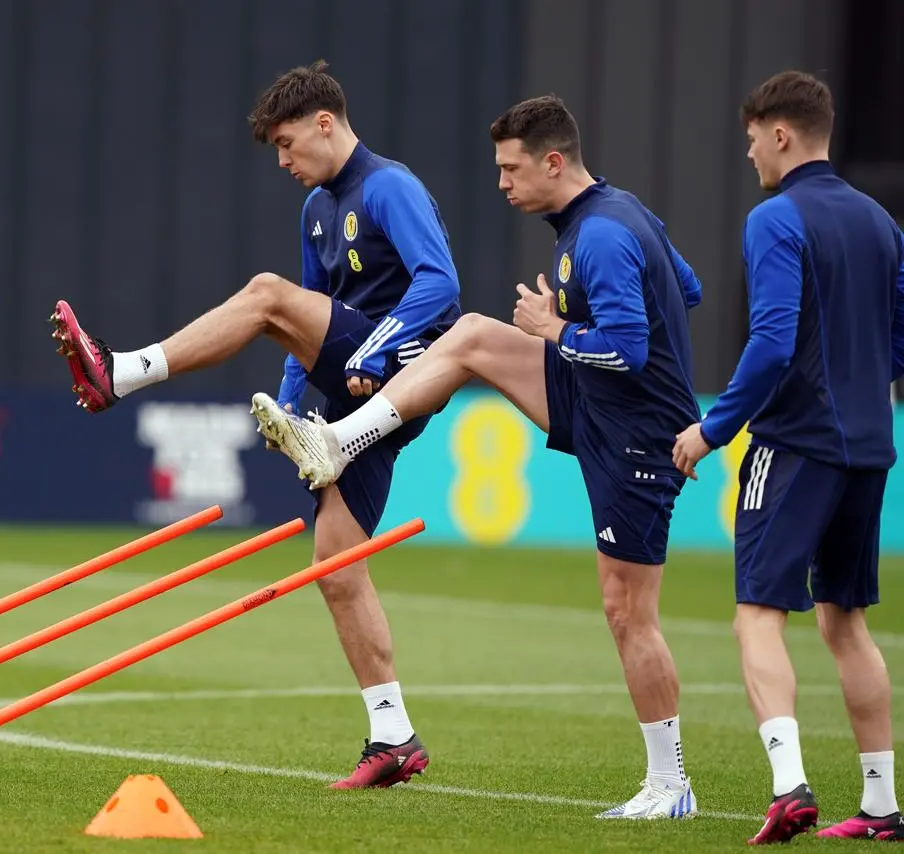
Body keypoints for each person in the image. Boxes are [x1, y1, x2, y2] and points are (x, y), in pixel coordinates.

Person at [253, 95, 704, 819]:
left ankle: (670, 785)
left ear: (553, 162)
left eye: (511, 168)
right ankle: (344, 436)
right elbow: (688, 287)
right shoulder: (616, 217)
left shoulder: (603, 236)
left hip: (637, 435)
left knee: (627, 612)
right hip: (592, 400)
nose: (501, 183)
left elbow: (629, 350)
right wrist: (576, 325)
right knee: (468, 336)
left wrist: (557, 329)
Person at [48, 60, 462, 788]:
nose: (282, 161)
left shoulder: (389, 185)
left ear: (325, 123)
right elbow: (310, 312)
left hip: (407, 370)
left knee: (265, 294)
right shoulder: (315, 211)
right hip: (353, 392)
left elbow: (442, 285)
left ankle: (123, 371)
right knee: (336, 568)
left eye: (286, 143)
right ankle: (394, 737)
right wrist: (295, 405)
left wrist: (373, 345)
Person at [672, 70, 904, 844]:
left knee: (756, 617)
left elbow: (772, 342)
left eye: (751, 138)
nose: (747, 154)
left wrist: (713, 428)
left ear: (780, 134)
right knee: (847, 623)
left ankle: (790, 785)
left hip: (797, 443)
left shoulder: (777, 218)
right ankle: (879, 805)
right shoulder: (879, 221)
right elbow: (899, 337)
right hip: (870, 447)